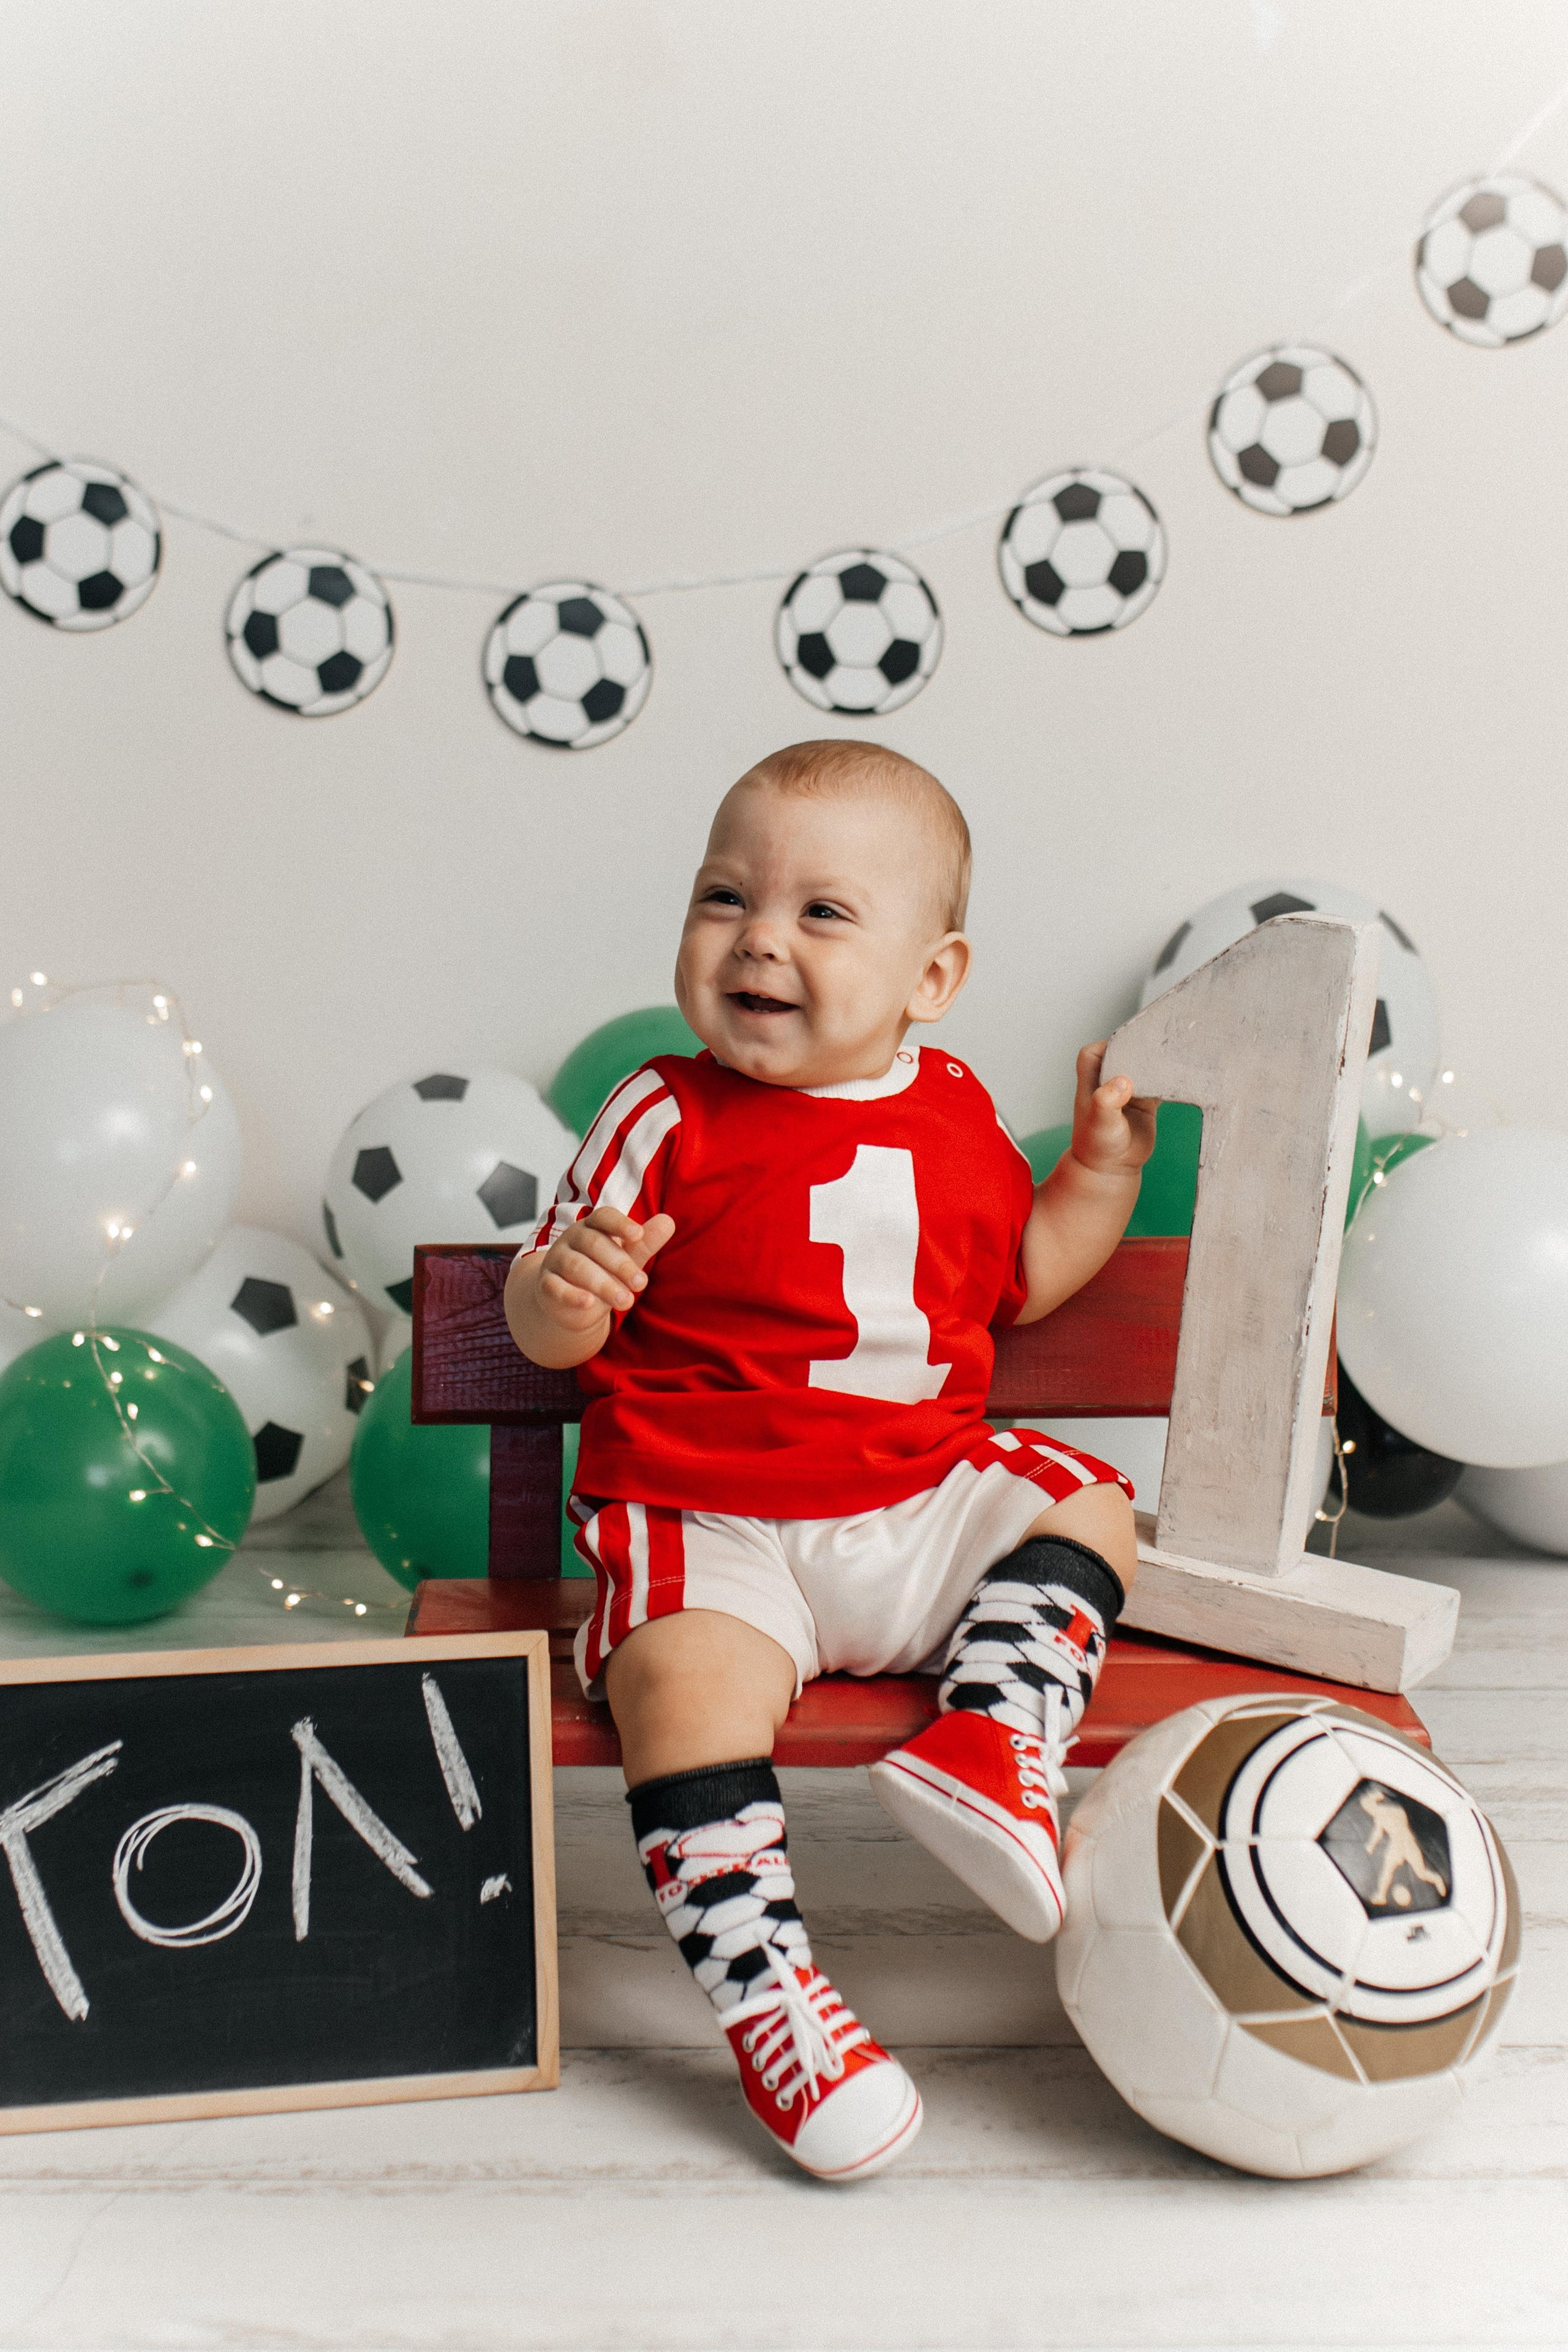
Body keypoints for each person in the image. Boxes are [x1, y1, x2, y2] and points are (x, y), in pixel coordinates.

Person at [505, 739, 1155, 2181]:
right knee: (682, 1680)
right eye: (723, 897)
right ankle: (772, 2000)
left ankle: (997, 1733)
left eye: (821, 913)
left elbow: (1023, 1282)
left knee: (1085, 1502)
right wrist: (554, 1298)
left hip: (911, 1496)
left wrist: (1098, 1176)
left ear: (931, 978)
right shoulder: (660, 1110)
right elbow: (548, 1309)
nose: (757, 939)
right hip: (710, 1515)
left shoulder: (956, 1116)